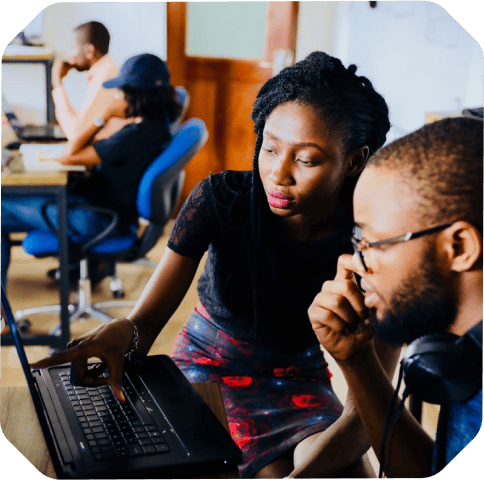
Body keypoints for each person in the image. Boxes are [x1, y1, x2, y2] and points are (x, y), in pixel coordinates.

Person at [31, 52, 394, 478]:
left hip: (299, 384)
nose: (277, 173)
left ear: (354, 160)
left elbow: (368, 413)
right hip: (206, 370)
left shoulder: (374, 241)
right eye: (270, 148)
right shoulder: (221, 200)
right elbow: (145, 322)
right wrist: (123, 332)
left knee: (349, 473)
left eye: (306, 159)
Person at [308, 117, 483, 478]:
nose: (353, 262)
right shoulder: (462, 354)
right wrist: (355, 359)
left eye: (373, 242)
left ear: (459, 247)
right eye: (358, 241)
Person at [1, 53, 181, 289]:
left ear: (134, 96)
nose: (117, 96)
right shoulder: (157, 128)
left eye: (121, 92)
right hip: (105, 213)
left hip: (94, 218)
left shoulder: (133, 136)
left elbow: (68, 155)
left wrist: (102, 116)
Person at [52, 21, 129, 142]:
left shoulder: (105, 77)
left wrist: (57, 83)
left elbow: (76, 134)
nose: (69, 55)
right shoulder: (105, 71)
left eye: (72, 48)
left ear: (89, 50)